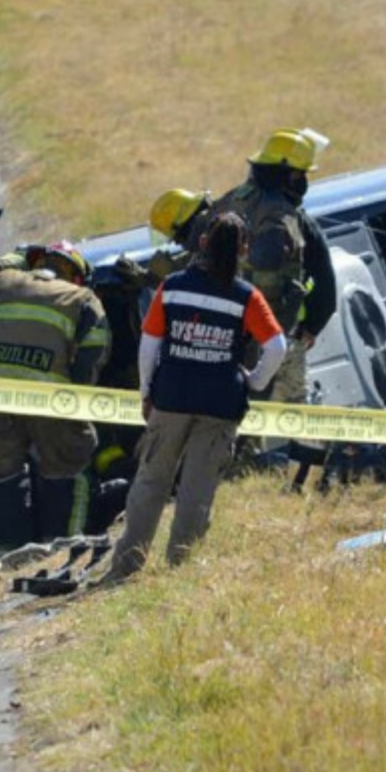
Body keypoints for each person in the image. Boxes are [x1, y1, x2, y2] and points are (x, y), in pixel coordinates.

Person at [104, 213, 286, 582]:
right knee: (197, 489)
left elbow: (149, 346)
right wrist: (253, 381)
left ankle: (126, 566)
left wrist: (145, 392)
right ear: (244, 250)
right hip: (221, 404)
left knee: (151, 482)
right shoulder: (246, 297)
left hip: (171, 397)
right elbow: (277, 346)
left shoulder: (171, 287)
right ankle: (180, 569)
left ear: (202, 244)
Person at [0, 240, 111, 552]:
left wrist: (16, 254)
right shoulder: (83, 299)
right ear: (77, 275)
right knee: (68, 466)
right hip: (50, 400)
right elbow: (94, 354)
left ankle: (6, 556)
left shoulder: (3, 284)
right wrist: (78, 397)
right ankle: (61, 552)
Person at [211, 129, 336, 411]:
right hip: (276, 335)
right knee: (289, 415)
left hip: (216, 331)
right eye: (302, 174)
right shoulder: (291, 219)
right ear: (291, 176)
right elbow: (325, 280)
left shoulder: (228, 202)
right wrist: (313, 324)